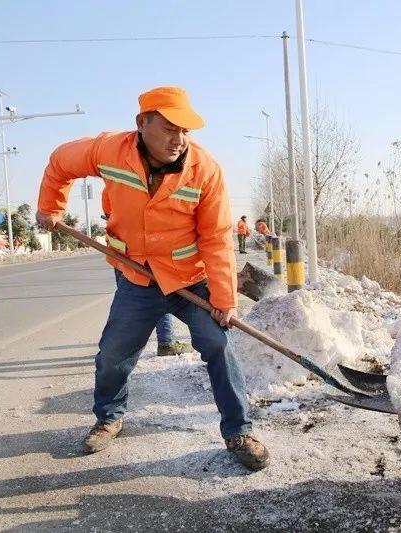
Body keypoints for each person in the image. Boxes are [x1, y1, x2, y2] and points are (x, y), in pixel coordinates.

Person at [36, 86, 269, 471]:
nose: (179, 140)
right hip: (137, 277)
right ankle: (109, 417)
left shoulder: (205, 170)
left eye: (186, 131)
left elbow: (215, 239)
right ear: (142, 123)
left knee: (216, 344)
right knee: (114, 352)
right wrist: (49, 208)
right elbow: (60, 162)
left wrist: (224, 299)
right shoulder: (108, 150)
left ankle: (239, 431)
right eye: (169, 128)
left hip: (189, 280)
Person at [102, 193, 192, 357]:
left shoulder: (113, 184)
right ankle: (165, 343)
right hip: (139, 257)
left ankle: (117, 349)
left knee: (125, 304)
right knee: (157, 296)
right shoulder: (141, 183)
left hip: (122, 255)